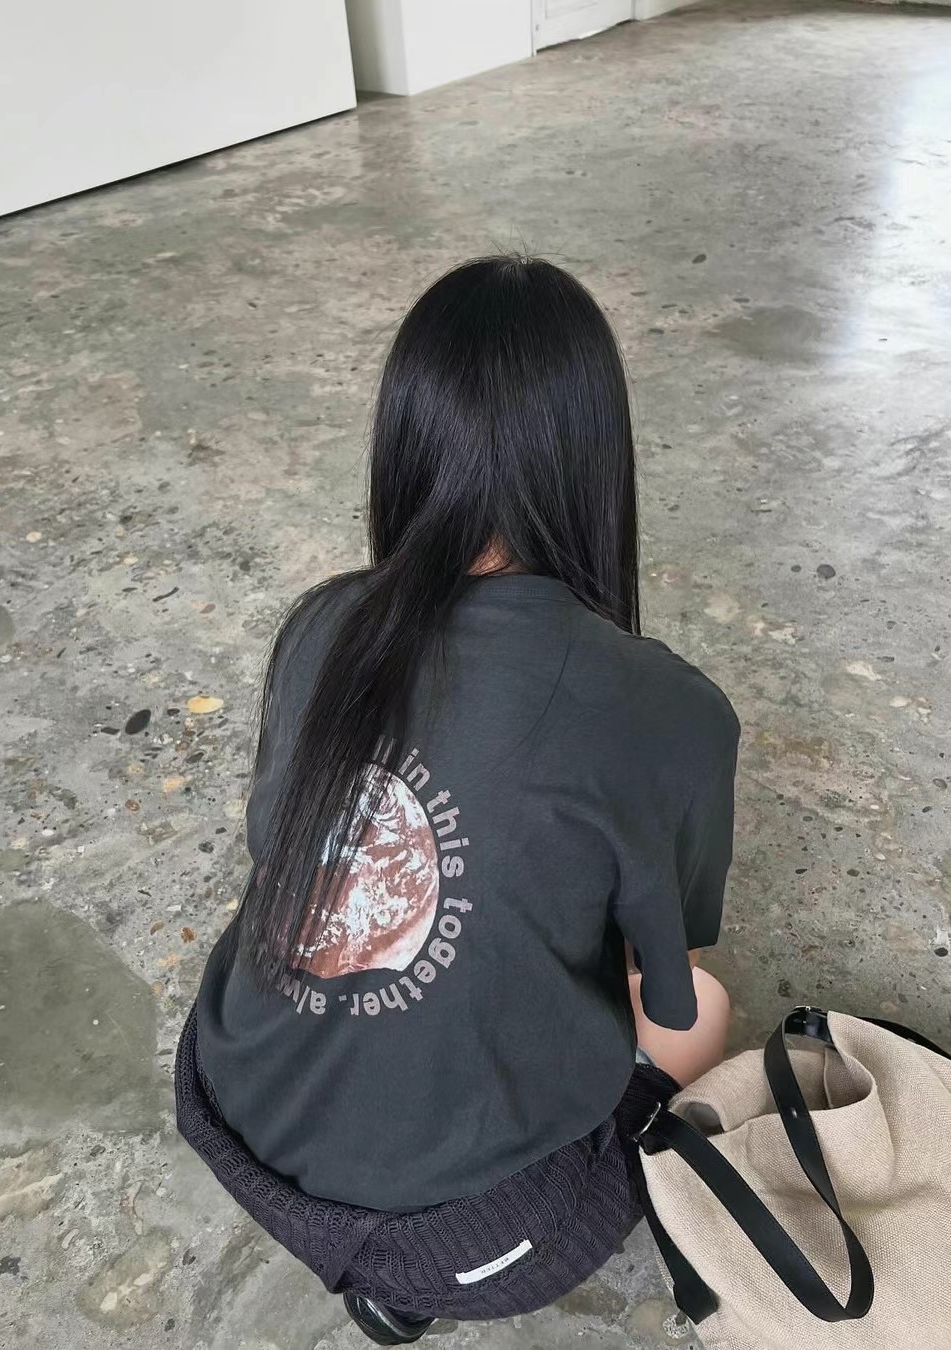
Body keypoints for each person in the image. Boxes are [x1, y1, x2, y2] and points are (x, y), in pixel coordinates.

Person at [178, 256, 739, 1343]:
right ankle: (408, 1285)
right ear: (599, 463)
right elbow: (663, 982)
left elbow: (277, 849)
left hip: (230, 1108)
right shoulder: (670, 709)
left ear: (404, 445)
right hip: (474, 1235)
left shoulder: (320, 624)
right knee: (706, 1006)